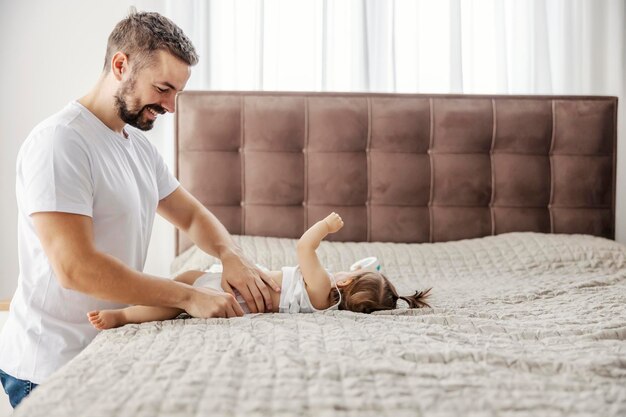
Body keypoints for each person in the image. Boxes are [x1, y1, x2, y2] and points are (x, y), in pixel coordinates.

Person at [0, 10, 280, 408]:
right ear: (120, 65)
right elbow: (74, 267)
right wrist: (187, 296)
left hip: (105, 349)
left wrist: (230, 255)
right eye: (163, 89)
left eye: (177, 94)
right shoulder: (60, 143)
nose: (171, 106)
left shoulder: (136, 146)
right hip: (50, 367)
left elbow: (192, 215)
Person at [88, 212, 432, 329]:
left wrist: (325, 227)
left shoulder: (323, 283)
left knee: (182, 290)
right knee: (180, 295)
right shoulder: (325, 304)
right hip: (246, 301)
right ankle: (133, 311)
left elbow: (303, 247)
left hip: (238, 294)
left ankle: (126, 316)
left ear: (346, 280)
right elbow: (362, 276)